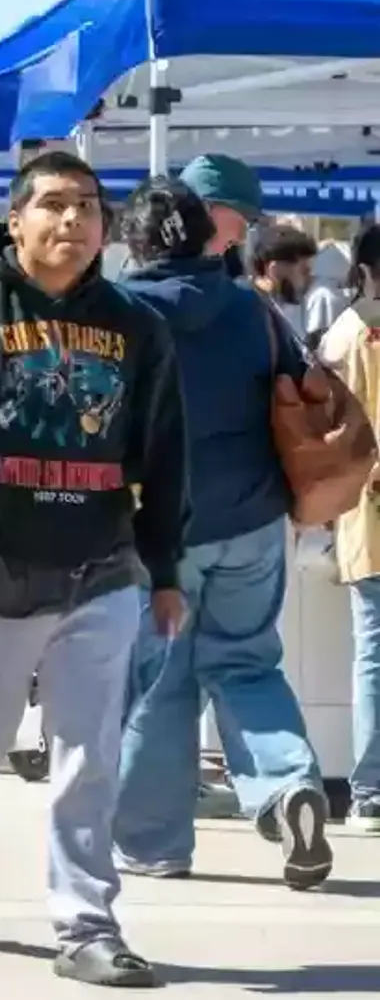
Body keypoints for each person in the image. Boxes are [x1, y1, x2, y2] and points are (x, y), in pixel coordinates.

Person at [0, 150, 187, 989]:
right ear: (16, 220)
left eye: (88, 205)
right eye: (53, 204)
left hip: (102, 569)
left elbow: (163, 454)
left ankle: (86, 920)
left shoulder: (135, 326)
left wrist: (162, 569)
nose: (73, 221)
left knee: (88, 755)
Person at [115, 177, 332, 890]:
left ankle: (154, 842)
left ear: (134, 241)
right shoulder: (254, 308)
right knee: (247, 663)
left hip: (160, 531)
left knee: (158, 681)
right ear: (208, 235)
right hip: (252, 518)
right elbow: (303, 385)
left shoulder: (121, 313)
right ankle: (289, 782)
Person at [315, 224, 380, 836]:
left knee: (374, 655)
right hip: (368, 514)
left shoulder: (344, 333)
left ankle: (370, 790)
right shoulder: (354, 332)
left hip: (364, 515)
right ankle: (369, 788)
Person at [251, 224, 318, 337]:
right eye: (304, 271)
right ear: (275, 270)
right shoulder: (251, 312)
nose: (310, 279)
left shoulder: (286, 306)